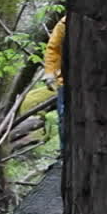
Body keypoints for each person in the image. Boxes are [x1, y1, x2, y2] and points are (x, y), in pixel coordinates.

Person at [43, 16, 67, 151]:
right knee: (64, 117)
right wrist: (50, 73)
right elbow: (53, 48)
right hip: (66, 82)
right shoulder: (65, 23)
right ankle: (64, 153)